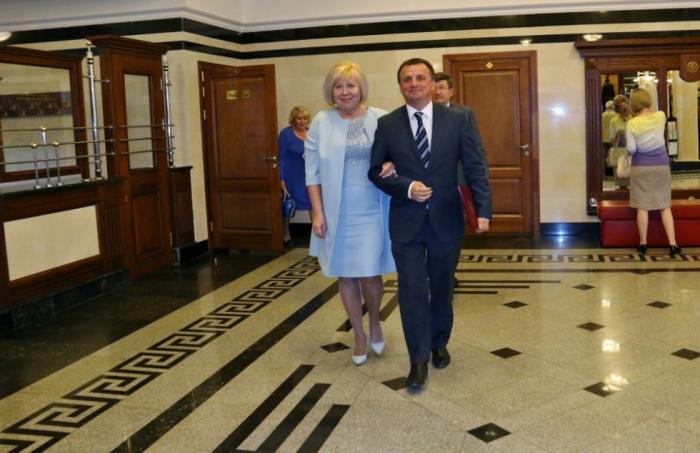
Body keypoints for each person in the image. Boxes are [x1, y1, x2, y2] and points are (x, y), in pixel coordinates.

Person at [369, 58, 492, 390]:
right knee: (411, 289)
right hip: (406, 221)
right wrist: (406, 186)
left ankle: (439, 342)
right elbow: (375, 171)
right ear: (400, 86)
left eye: (420, 77)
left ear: (432, 83)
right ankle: (418, 359)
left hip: (446, 219)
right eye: (407, 79)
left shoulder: (458, 119)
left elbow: (476, 165)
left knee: (441, 286)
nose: (414, 84)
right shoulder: (388, 124)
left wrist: (484, 209)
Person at [305, 61, 396, 366]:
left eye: (350, 85)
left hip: (371, 208)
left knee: (370, 272)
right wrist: (318, 213)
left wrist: (391, 165)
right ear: (331, 91)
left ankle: (375, 322)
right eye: (338, 86)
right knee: (345, 274)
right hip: (337, 210)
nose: (344, 92)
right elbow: (312, 173)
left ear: (361, 89)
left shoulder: (380, 118)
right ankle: (358, 333)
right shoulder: (321, 121)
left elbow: (396, 156)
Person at [625, 88, 681, 257]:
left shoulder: (632, 123)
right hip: (661, 166)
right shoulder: (661, 116)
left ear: (633, 104)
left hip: (641, 167)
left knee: (643, 207)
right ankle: (673, 244)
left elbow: (631, 149)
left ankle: (643, 244)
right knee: (665, 206)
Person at [279, 105, 312, 247]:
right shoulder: (286, 134)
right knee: (288, 206)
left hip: (308, 175)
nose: (302, 121)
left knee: (314, 204)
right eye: (299, 118)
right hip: (291, 176)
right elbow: (281, 158)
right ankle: (286, 235)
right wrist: (281, 179)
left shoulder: (311, 133)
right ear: (293, 119)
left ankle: (316, 237)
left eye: (305, 118)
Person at [609, 94, 631, 187]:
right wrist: (617, 134)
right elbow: (612, 141)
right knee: (621, 183)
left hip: (633, 153)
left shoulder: (633, 119)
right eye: (621, 107)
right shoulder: (613, 121)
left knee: (634, 182)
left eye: (625, 106)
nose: (624, 109)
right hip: (619, 154)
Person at [601, 100, 616, 176]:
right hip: (612, 139)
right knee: (613, 156)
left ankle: (603, 174)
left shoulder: (602, 115)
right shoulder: (616, 115)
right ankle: (614, 174)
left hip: (603, 139)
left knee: (602, 157)